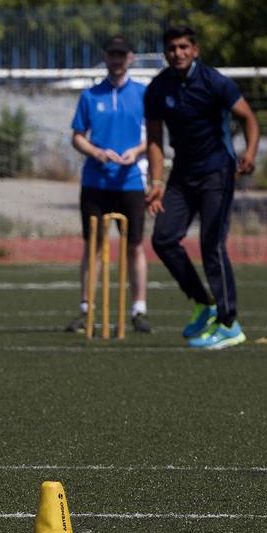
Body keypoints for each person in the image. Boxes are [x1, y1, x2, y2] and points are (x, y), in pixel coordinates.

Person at [144, 24, 260, 349]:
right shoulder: (157, 88)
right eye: (171, 48)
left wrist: (249, 152)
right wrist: (154, 182)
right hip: (181, 175)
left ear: (195, 49)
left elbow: (249, 118)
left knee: (212, 245)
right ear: (165, 53)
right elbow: (154, 139)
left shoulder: (214, 82)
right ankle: (203, 302)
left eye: (183, 47)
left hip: (217, 173)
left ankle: (229, 324)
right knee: (164, 239)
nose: (177, 53)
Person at [66, 35, 152, 334]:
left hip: (131, 182)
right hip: (96, 182)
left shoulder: (143, 94)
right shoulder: (91, 96)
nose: (117, 60)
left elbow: (154, 136)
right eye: (112, 54)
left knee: (135, 245)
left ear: (130, 58)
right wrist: (97, 152)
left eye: (122, 54)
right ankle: (86, 308)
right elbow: (77, 136)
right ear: (105, 57)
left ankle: (138, 310)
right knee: (94, 246)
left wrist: (137, 151)